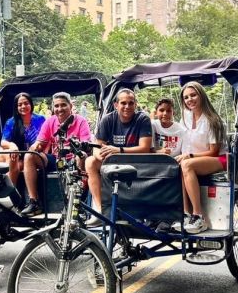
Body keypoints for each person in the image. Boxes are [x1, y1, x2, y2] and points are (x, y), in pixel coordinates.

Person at [85, 89, 153, 224]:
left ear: (135, 104)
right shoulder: (108, 119)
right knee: (90, 162)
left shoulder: (142, 118)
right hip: (113, 161)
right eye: (123, 103)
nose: (127, 107)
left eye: (131, 103)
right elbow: (97, 148)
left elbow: (144, 147)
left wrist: (118, 150)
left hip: (136, 161)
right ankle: (100, 210)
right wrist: (104, 157)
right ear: (116, 105)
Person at [21, 92, 92, 216]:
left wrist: (76, 149)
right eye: (57, 106)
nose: (60, 109)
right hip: (56, 159)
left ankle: (78, 201)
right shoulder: (50, 121)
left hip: (74, 158)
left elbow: (86, 144)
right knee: (29, 156)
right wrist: (35, 147)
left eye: (63, 105)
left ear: (70, 106)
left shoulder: (81, 121)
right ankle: (34, 202)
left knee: (81, 155)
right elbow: (39, 141)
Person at [171, 82, 227, 234]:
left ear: (201, 95)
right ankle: (185, 214)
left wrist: (189, 156)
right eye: (186, 97)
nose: (190, 99)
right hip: (192, 159)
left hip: (218, 159)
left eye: (193, 95)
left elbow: (214, 151)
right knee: (176, 165)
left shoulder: (213, 120)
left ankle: (198, 215)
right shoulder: (185, 118)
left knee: (187, 164)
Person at [0, 92, 46, 187]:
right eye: (19, 105)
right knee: (13, 156)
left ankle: (11, 190)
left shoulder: (40, 119)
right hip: (11, 155)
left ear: (31, 104)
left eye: (26, 103)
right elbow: (3, 142)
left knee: (21, 164)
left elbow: (47, 138)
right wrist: (12, 145)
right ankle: (11, 191)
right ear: (16, 107)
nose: (23, 106)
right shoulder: (11, 122)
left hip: (32, 155)